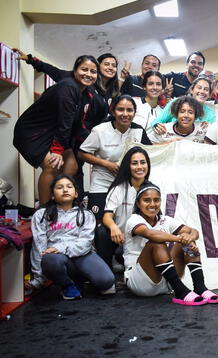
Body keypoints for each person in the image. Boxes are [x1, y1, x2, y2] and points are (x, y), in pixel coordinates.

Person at [13, 55, 98, 204]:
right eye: (84, 69)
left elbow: (77, 124)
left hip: (52, 132)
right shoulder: (68, 87)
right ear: (75, 70)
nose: (88, 74)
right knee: (52, 166)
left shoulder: (86, 92)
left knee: (71, 164)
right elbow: (65, 122)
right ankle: (45, 212)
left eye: (93, 71)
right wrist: (57, 151)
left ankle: (58, 205)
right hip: (32, 132)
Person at [124, 182, 218, 305]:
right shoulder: (134, 219)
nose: (152, 204)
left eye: (156, 200)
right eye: (147, 200)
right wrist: (181, 238)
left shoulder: (165, 220)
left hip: (166, 280)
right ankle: (180, 292)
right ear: (138, 203)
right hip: (140, 282)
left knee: (188, 239)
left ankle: (200, 287)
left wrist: (189, 237)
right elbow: (151, 234)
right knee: (156, 242)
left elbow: (193, 231)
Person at [28, 174, 114, 299]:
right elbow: (39, 246)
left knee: (106, 281)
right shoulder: (41, 215)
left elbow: (85, 244)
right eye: (59, 187)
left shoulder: (86, 214)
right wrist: (38, 279)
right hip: (56, 258)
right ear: (52, 195)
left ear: (76, 194)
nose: (65, 190)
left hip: (82, 254)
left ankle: (78, 279)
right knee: (49, 259)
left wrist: (61, 247)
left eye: (69, 187)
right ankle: (67, 284)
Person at [78, 94, 151, 222]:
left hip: (128, 185)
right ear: (113, 111)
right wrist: (106, 164)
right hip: (102, 184)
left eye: (129, 110)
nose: (125, 114)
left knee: (127, 224)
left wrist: (173, 143)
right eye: (120, 109)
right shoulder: (99, 130)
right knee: (100, 227)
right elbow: (82, 153)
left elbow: (151, 151)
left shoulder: (138, 131)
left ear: (134, 113)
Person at [95, 147, 150, 272]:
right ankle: (107, 273)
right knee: (102, 232)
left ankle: (122, 260)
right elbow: (107, 216)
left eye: (143, 162)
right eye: (134, 163)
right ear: (127, 166)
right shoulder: (119, 188)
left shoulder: (152, 189)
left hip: (140, 238)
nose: (139, 167)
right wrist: (114, 227)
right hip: (119, 238)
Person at [151, 76, 216, 132]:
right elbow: (157, 121)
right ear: (191, 90)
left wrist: (209, 128)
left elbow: (210, 136)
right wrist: (157, 126)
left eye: (206, 89)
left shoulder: (210, 114)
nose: (202, 91)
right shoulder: (176, 103)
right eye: (199, 88)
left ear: (209, 95)